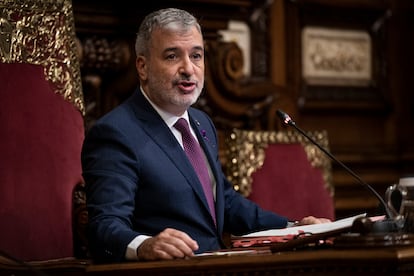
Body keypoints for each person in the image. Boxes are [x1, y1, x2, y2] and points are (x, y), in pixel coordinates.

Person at [81, 7, 330, 263]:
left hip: (216, 266)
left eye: (196, 56)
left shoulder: (201, 122)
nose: (188, 69)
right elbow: (104, 227)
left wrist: (294, 228)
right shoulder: (116, 133)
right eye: (172, 56)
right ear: (142, 67)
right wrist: (145, 245)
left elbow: (225, 202)